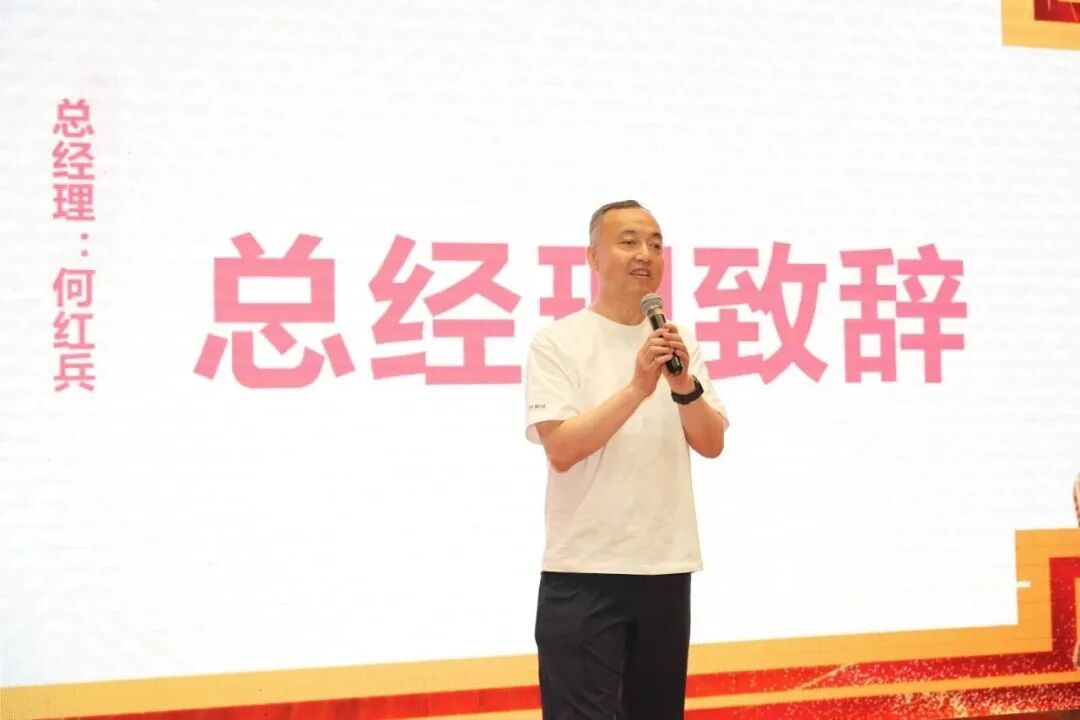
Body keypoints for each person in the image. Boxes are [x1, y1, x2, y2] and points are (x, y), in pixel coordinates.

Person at [524, 200, 730, 719]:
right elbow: (561, 448)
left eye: (656, 244)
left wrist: (682, 385)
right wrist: (638, 386)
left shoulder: (679, 344)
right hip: (584, 572)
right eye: (630, 241)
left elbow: (711, 442)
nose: (646, 255)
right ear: (593, 256)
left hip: (665, 569)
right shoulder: (558, 342)